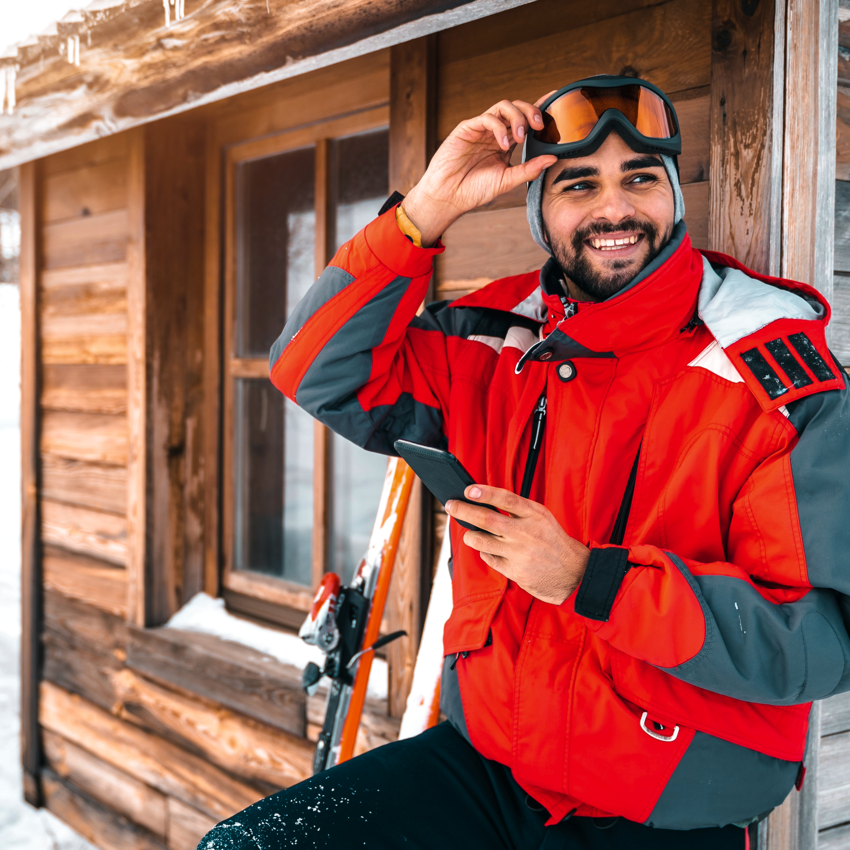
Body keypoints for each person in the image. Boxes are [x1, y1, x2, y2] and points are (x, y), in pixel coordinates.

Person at [199, 76, 850, 850]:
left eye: (641, 178)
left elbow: (819, 643)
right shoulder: (493, 337)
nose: (615, 209)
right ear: (540, 212)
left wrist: (590, 580)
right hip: (491, 768)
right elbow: (316, 371)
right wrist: (423, 211)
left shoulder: (770, 379)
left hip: (666, 802)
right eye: (579, 185)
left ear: (674, 197)